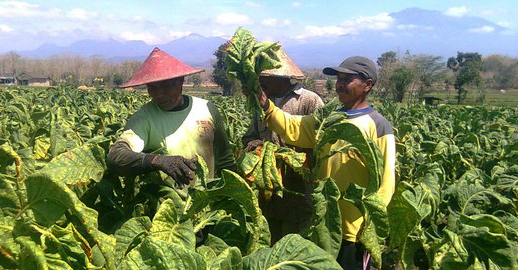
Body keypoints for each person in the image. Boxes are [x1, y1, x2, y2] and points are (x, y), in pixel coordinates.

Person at [250, 56, 396, 269]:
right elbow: (294, 127)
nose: (340, 85)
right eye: (339, 79)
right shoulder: (328, 119)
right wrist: (266, 104)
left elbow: (387, 182)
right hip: (322, 222)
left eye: (347, 80)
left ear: (368, 85)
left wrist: (371, 227)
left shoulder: (378, 125)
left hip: (354, 228)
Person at [107, 47, 235, 191]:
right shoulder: (145, 117)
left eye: (166, 86)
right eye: (152, 88)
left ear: (180, 81)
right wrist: (156, 160)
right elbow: (116, 155)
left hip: (205, 206)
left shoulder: (207, 108)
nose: (159, 94)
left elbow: (225, 160)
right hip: (167, 209)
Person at [242, 48, 324, 244]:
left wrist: (292, 157)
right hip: (267, 190)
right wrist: (257, 147)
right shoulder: (260, 102)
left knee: (294, 241)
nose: (259, 83)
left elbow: (321, 143)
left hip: (298, 189)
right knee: (269, 240)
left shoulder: (309, 101)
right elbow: (248, 137)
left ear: (282, 77)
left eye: (264, 78)